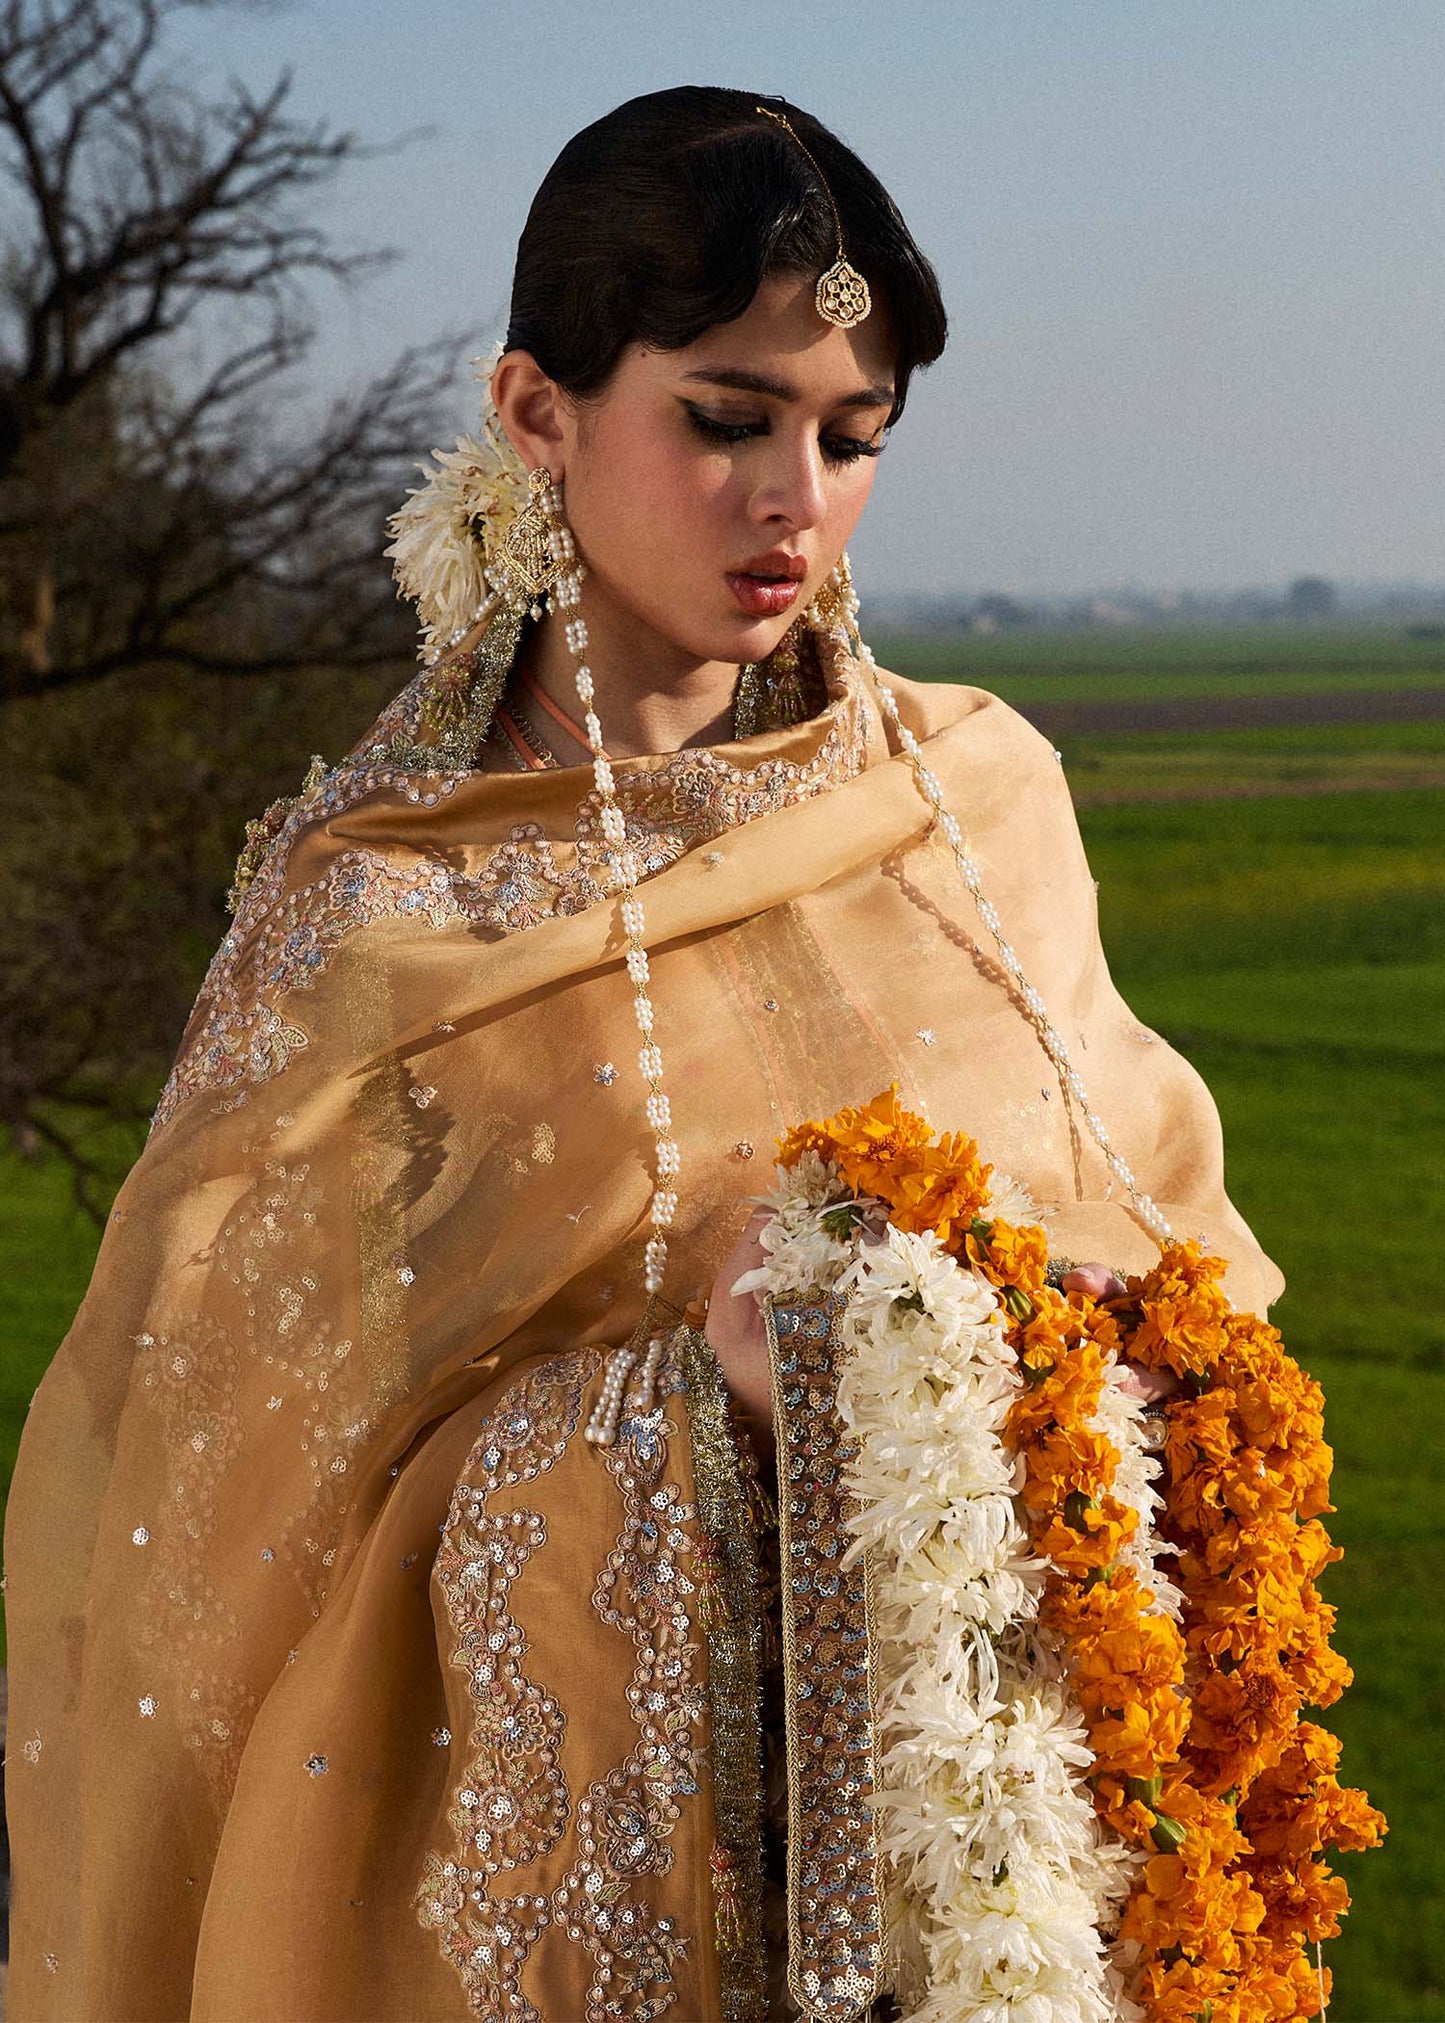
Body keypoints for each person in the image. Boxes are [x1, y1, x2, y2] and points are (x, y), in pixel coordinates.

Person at [2, 85, 1281, 2021]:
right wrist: (677, 1408)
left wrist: (965, 1331)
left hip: (989, 1868)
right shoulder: (377, 923)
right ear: (538, 414)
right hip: (564, 1900)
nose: (797, 503)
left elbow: (1195, 1282)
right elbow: (222, 1524)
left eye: (852, 440)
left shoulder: (974, 806)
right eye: (727, 419)